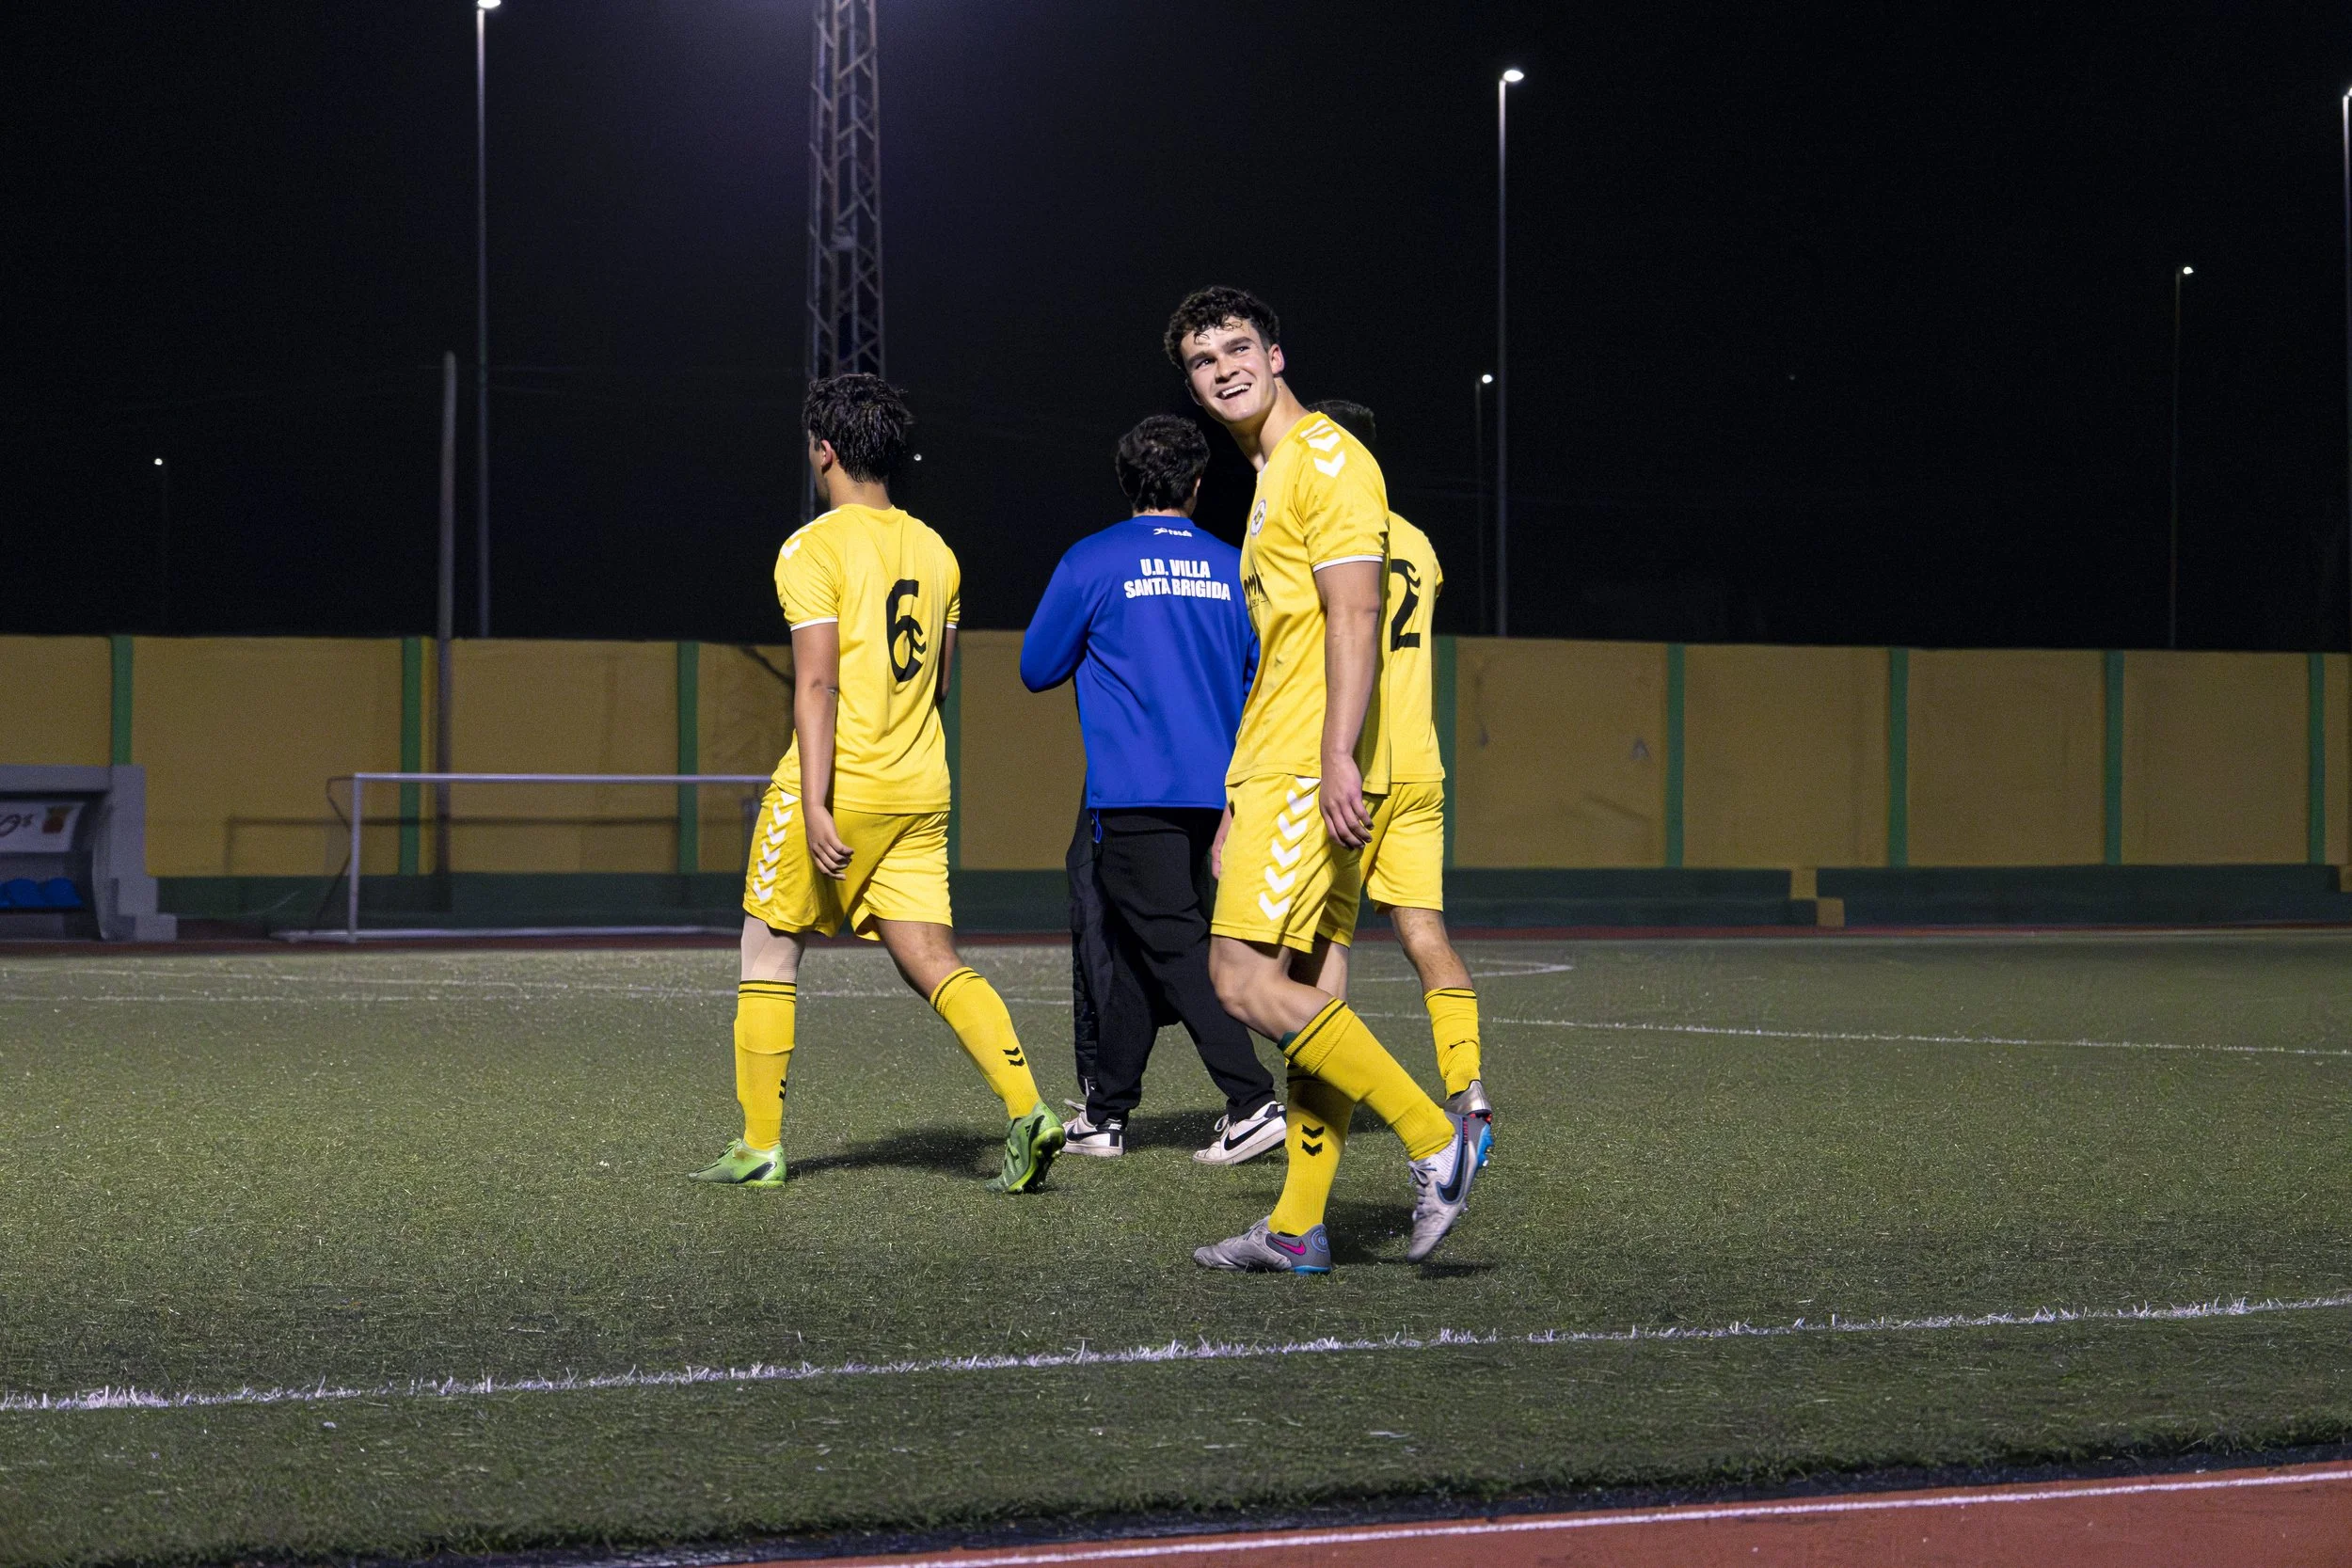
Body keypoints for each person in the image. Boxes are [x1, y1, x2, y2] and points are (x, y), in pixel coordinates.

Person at [1165, 286, 1479, 1274]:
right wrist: (1233, 799)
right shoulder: (1271, 474)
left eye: (1236, 347)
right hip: (1276, 764)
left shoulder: (1330, 460)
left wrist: (1335, 754)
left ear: (1276, 352)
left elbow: (1352, 617)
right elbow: (1288, 644)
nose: (1222, 367)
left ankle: (1438, 1137)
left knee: (1240, 980)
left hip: (1310, 762)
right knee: (1309, 982)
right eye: (1200, 359)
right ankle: (1299, 1224)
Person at [691, 373, 1065, 1195]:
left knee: (768, 945)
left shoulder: (811, 547)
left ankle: (758, 1145)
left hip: (843, 778)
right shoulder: (937, 550)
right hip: (919, 784)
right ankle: (1030, 1106)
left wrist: (817, 800)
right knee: (932, 957)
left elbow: (817, 684)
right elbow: (938, 682)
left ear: (822, 449)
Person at [1023, 416, 1286, 1164]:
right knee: (1144, 953)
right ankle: (1106, 1114)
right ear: (1198, 485)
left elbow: (1037, 667)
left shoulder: (1091, 560)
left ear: (1124, 481)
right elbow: (1256, 680)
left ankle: (1251, 1099)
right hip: (1219, 799)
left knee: (1175, 947)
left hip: (1132, 795)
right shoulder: (1235, 567)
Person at [1303, 400, 1494, 1166]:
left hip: (1357, 766)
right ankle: (1467, 1086)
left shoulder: (1333, 531)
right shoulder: (1418, 540)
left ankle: (1325, 1124)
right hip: (1421, 765)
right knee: (1426, 935)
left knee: (1323, 947)